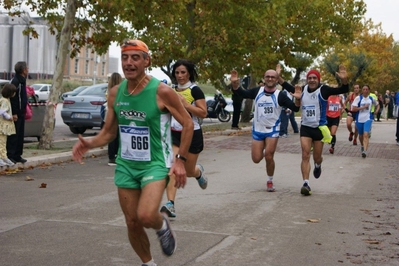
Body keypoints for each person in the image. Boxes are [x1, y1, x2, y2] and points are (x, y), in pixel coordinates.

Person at [72, 40, 194, 266]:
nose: (129, 63)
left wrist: (180, 161)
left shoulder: (162, 91)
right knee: (131, 222)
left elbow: (187, 124)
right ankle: (148, 263)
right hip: (126, 165)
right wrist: (89, 143)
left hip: (154, 163)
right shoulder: (116, 93)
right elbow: (109, 133)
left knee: (146, 215)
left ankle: (162, 225)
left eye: (135, 57)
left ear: (146, 61)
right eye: (125, 58)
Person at [277, 65, 349, 196]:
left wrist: (344, 80)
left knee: (317, 157)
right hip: (305, 128)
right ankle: (306, 183)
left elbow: (343, 89)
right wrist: (278, 77)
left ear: (318, 79)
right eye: (309, 78)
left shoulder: (324, 90)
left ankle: (318, 164)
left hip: (319, 129)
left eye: (314, 78)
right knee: (305, 154)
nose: (311, 80)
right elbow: (288, 86)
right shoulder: (302, 90)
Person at [231, 69, 301, 192]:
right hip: (258, 130)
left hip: (272, 130)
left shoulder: (281, 95)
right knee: (256, 159)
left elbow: (295, 108)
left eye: (273, 77)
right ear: (264, 78)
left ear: (277, 79)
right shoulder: (257, 91)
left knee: (269, 156)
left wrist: (298, 99)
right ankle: (261, 150)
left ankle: (270, 180)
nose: (270, 79)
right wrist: (235, 84)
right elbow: (242, 93)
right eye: (267, 76)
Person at [160, 59, 207, 218]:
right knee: (172, 167)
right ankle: (170, 204)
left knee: (188, 171)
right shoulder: (170, 90)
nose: (180, 76)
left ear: (189, 73)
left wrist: (185, 104)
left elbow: (203, 113)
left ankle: (198, 172)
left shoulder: (195, 90)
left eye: (183, 72)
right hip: (174, 133)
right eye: (177, 72)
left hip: (193, 133)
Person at [7, 61, 29, 164]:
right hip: (16, 113)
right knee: (13, 135)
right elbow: (13, 99)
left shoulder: (22, 81)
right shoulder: (15, 81)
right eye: (27, 68)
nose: (28, 70)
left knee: (20, 135)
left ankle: (17, 155)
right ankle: (10, 155)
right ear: (23, 70)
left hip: (22, 112)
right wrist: (14, 112)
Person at [351, 85, 379, 158]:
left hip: (368, 118)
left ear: (369, 91)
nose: (365, 91)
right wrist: (363, 107)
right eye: (364, 89)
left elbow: (378, 104)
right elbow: (353, 109)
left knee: (366, 134)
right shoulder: (358, 98)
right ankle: (362, 146)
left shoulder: (371, 99)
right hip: (359, 119)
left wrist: (376, 110)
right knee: (361, 136)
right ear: (362, 91)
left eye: (367, 89)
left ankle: (365, 151)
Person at [106, 72, 123, 166]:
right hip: (118, 115)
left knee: (111, 137)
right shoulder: (121, 90)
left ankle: (111, 156)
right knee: (119, 137)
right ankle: (116, 155)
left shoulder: (108, 90)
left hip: (109, 114)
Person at [0, 84, 17, 167]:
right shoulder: (5, 101)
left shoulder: (5, 100)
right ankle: (2, 157)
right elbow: (2, 111)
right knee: (2, 142)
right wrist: (9, 117)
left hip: (4, 126)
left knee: (3, 142)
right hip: (3, 126)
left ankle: (4, 157)